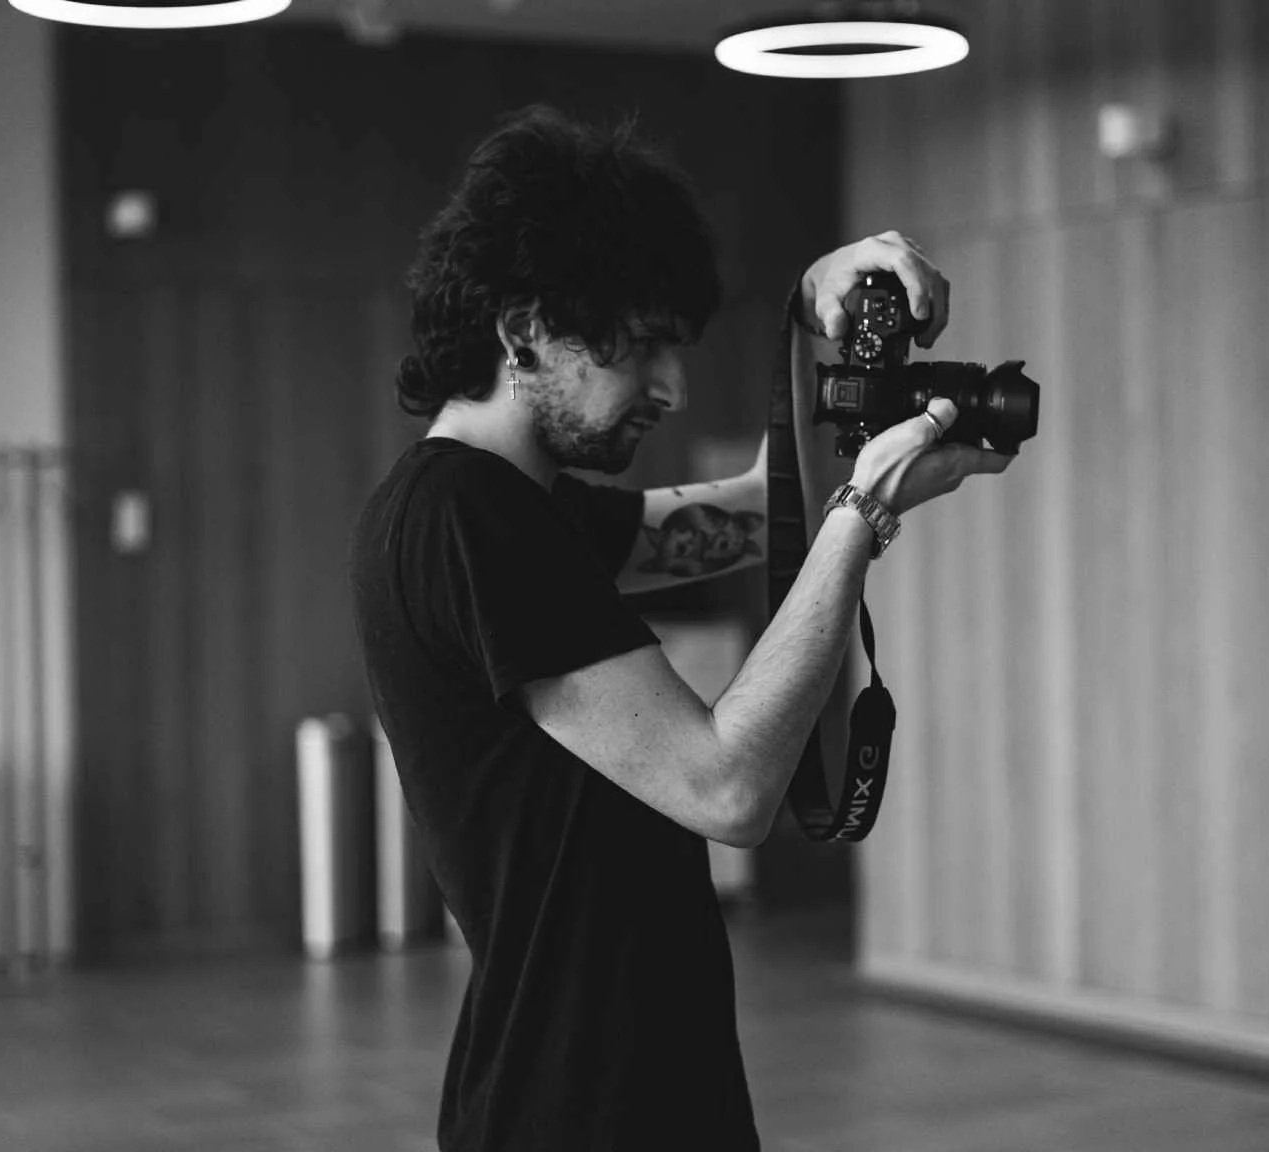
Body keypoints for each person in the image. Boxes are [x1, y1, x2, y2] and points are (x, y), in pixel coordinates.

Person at [348, 105, 1013, 1152]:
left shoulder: (515, 511)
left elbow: (755, 510)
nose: (672, 387)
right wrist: (865, 512)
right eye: (643, 345)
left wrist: (813, 324)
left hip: (627, 1082)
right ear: (523, 331)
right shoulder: (464, 519)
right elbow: (726, 787)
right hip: (579, 1109)